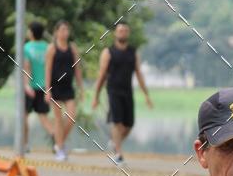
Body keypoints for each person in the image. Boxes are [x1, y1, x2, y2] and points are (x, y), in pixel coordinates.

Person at [91, 22, 153, 164]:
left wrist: (146, 95)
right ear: (115, 33)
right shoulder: (108, 52)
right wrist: (96, 96)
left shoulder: (133, 52)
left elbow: (139, 74)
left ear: (128, 33)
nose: (122, 33)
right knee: (117, 122)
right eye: (120, 30)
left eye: (125, 30)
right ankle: (119, 154)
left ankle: (115, 143)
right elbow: (101, 76)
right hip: (113, 91)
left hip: (127, 91)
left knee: (129, 124)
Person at [45, 21, 84, 161]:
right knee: (58, 119)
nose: (64, 33)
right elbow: (48, 69)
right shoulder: (52, 48)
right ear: (56, 32)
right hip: (55, 87)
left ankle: (58, 143)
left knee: (72, 117)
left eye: (66, 30)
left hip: (68, 87)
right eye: (62, 30)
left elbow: (77, 69)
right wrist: (47, 89)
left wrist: (81, 87)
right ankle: (60, 149)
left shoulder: (72, 48)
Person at [22, 21, 53, 149]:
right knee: (44, 117)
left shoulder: (26, 48)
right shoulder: (48, 47)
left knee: (24, 116)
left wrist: (26, 85)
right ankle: (57, 144)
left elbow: (27, 67)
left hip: (30, 87)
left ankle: (24, 145)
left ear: (31, 32)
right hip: (45, 87)